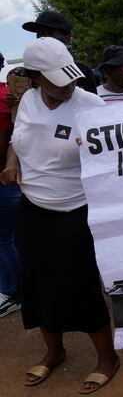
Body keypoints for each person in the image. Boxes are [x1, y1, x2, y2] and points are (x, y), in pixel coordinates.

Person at [0, 37, 119, 394]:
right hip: (32, 211)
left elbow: (117, 158)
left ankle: (107, 357)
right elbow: (16, 142)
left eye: (69, 77)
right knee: (36, 285)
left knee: (79, 285)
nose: (67, 85)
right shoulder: (27, 102)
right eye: (56, 79)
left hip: (75, 212)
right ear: (35, 76)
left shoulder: (91, 104)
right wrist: (10, 163)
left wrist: (97, 151)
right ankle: (54, 351)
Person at [21, 10, 97, 94]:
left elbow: (93, 106)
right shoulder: (29, 71)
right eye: (40, 33)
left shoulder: (83, 71)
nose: (43, 37)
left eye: (50, 33)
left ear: (67, 38)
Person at [0, 51, 22, 318]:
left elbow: (4, 140)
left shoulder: (3, 97)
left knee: (3, 239)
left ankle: (12, 292)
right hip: (12, 176)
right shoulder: (8, 93)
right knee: (10, 237)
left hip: (4, 178)